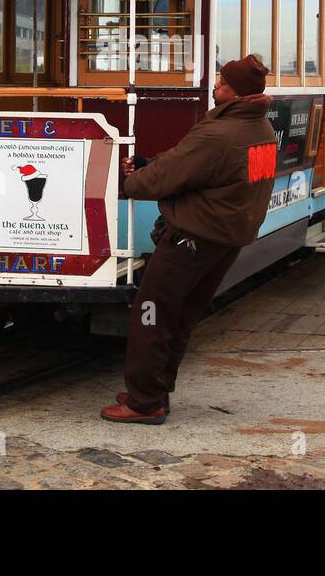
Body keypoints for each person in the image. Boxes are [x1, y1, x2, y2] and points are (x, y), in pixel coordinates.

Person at [102, 54, 278, 424]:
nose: (215, 86)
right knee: (180, 317)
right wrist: (155, 163)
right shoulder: (260, 130)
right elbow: (200, 168)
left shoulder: (218, 133)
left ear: (234, 91)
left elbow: (177, 170)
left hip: (191, 239)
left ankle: (144, 402)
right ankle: (156, 390)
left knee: (150, 313)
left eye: (221, 82)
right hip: (226, 240)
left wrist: (133, 181)